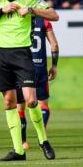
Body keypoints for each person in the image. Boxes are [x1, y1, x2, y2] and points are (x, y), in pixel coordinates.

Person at [0, 0, 59, 161]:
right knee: (9, 102)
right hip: (1, 55)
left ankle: (43, 140)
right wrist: (0, 12)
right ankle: (18, 151)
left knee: (31, 101)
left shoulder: (29, 0)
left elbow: (54, 15)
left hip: (23, 54)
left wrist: (32, 10)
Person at [16, 17, 59, 150]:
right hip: (39, 67)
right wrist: (54, 66)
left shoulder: (16, 20)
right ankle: (42, 135)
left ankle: (23, 142)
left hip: (21, 67)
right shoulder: (44, 21)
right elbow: (54, 45)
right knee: (43, 104)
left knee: (20, 107)